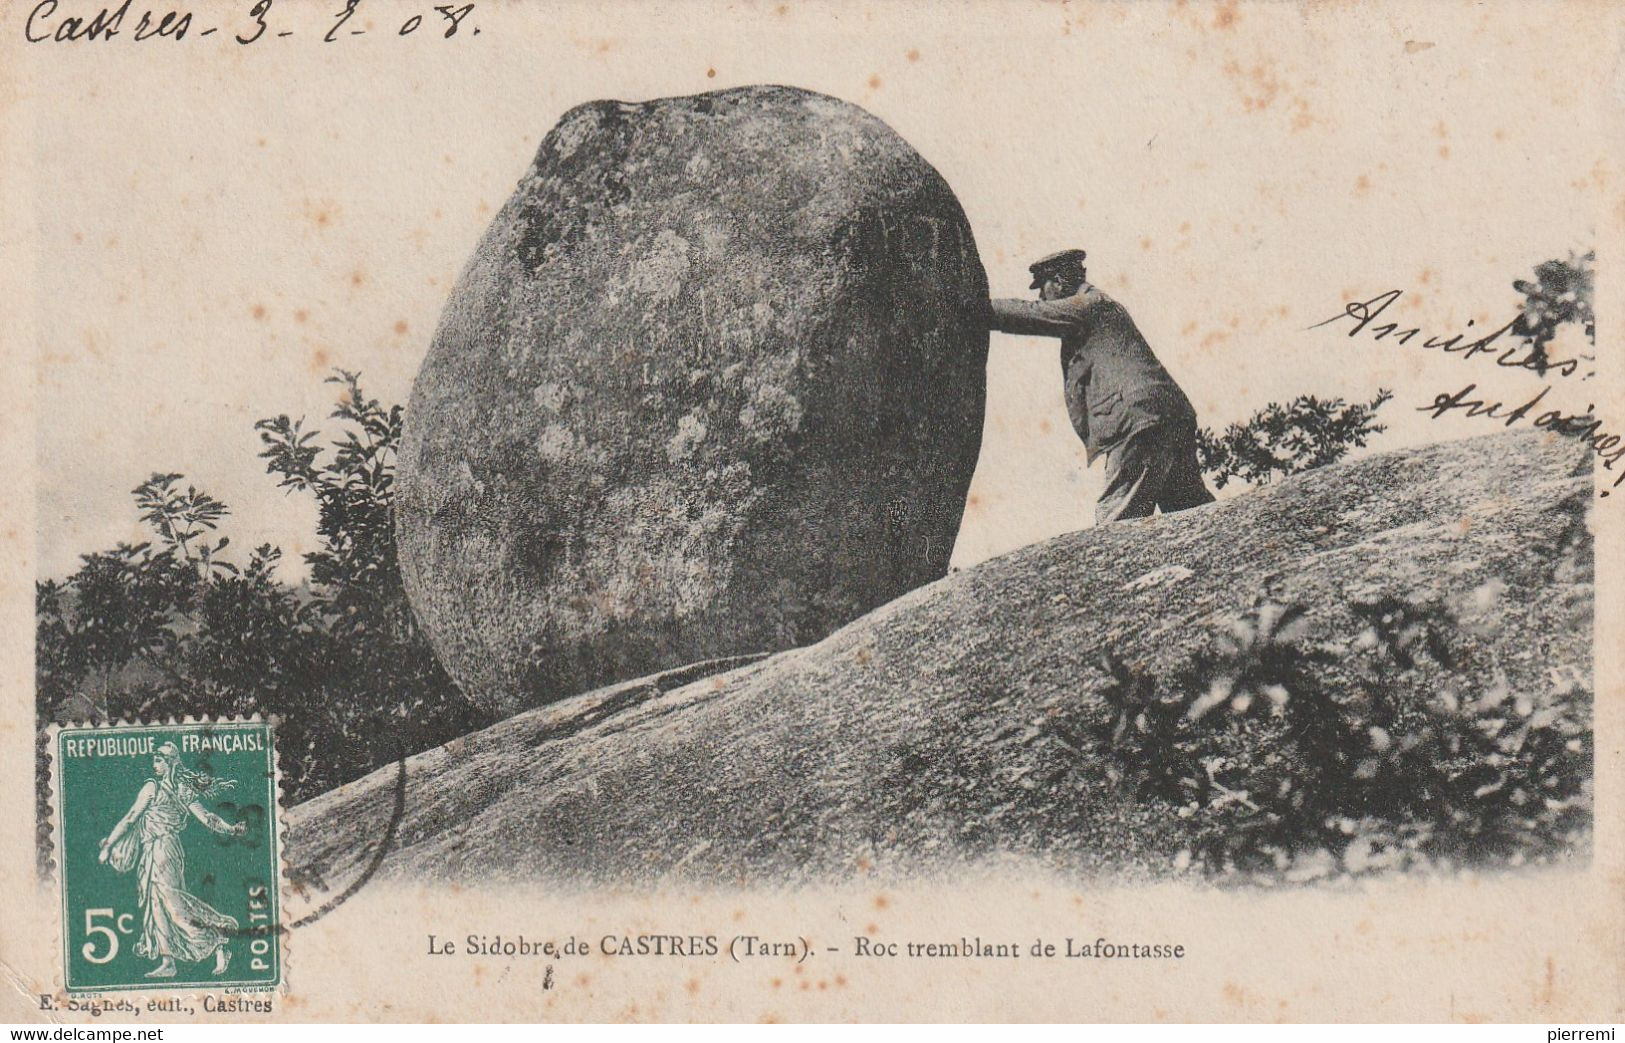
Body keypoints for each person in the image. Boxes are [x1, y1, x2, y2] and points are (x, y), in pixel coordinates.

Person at [987, 248, 1214, 524]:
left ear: (1058, 281)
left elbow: (1031, 313)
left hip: (1137, 422)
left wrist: (970, 307)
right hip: (1170, 415)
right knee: (1191, 513)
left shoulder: (1088, 305)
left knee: (1117, 521)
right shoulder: (1104, 305)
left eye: (1043, 288)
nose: (1041, 296)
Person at [99, 741, 247, 978]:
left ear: (170, 763)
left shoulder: (180, 790)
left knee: (173, 904)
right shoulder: (152, 787)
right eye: (154, 759)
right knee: (155, 904)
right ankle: (168, 962)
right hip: (150, 851)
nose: (154, 764)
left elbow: (206, 817)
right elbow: (130, 818)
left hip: (167, 850)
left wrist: (230, 829)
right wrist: (110, 843)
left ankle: (218, 939)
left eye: (159, 760)